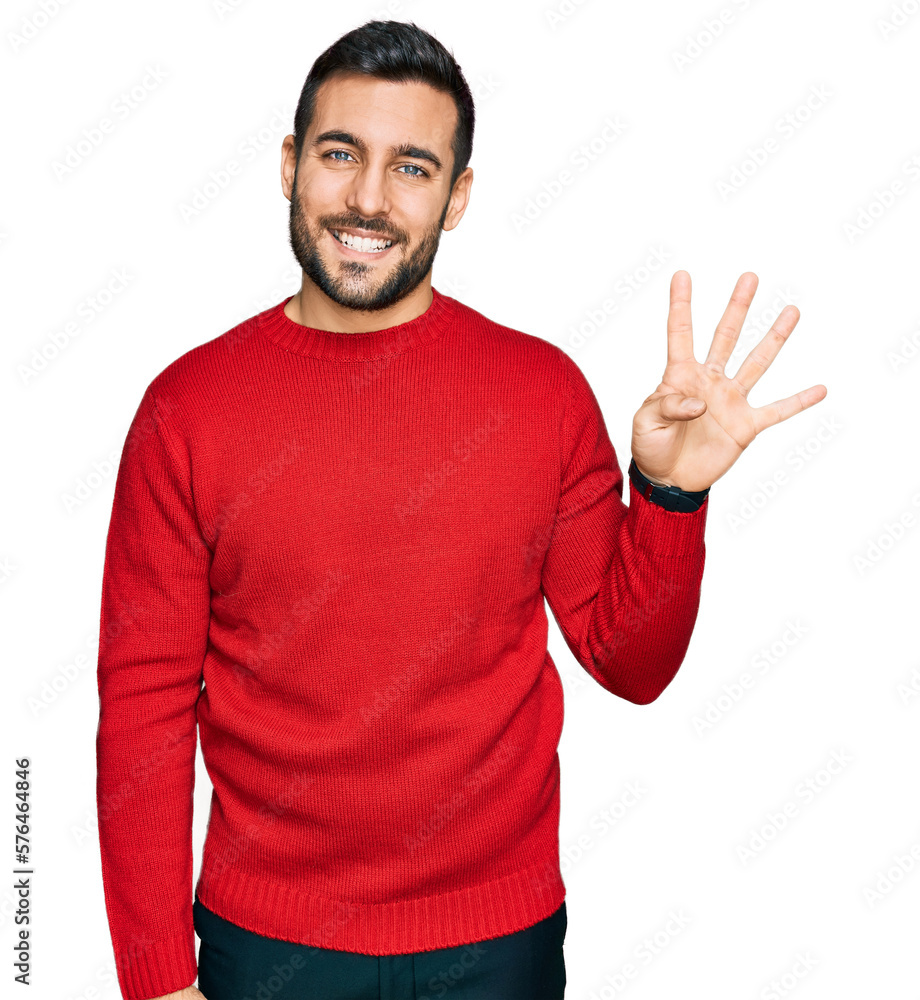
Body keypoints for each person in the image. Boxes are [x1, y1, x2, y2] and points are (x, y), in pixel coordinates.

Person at [94, 18, 827, 1000]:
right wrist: (154, 978)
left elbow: (632, 664)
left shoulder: (539, 394)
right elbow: (142, 704)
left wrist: (669, 495)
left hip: (499, 947)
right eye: (340, 154)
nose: (368, 198)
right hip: (265, 945)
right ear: (289, 164)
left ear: (458, 196)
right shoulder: (187, 410)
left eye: (411, 167)